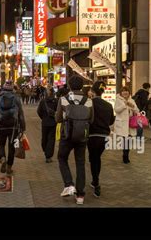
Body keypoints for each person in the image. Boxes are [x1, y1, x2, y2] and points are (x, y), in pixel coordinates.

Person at [55, 75, 93, 205]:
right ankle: (80, 195)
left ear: (69, 86)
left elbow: (58, 119)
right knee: (80, 163)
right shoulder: (88, 100)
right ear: (82, 86)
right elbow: (91, 119)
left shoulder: (63, 99)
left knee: (62, 158)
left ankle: (69, 184)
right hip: (82, 135)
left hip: (67, 135)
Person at [0, 81, 26, 176]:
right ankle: (9, 168)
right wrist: (23, 127)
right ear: (12, 88)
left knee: (1, 144)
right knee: (12, 147)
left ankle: (2, 159)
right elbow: (21, 114)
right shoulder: (16, 98)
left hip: (1, 125)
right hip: (13, 126)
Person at [88, 81, 115, 198]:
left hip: (92, 135)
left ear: (92, 91)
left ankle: (96, 183)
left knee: (93, 159)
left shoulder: (89, 103)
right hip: (104, 136)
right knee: (97, 158)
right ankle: (95, 181)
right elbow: (111, 121)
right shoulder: (109, 105)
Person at [114, 86, 140, 164]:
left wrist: (132, 106)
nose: (125, 92)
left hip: (130, 123)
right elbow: (116, 110)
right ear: (121, 93)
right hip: (122, 123)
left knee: (129, 140)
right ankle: (125, 156)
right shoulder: (118, 100)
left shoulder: (132, 100)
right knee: (125, 140)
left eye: (127, 91)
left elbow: (137, 111)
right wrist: (124, 105)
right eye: (123, 91)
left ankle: (126, 154)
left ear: (129, 93)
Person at [37, 87, 58, 163]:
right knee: (51, 139)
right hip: (53, 122)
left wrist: (43, 118)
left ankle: (46, 152)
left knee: (44, 138)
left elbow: (39, 111)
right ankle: (48, 155)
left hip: (45, 123)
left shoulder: (43, 101)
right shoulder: (56, 101)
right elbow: (58, 111)